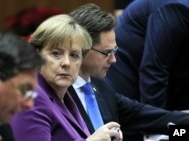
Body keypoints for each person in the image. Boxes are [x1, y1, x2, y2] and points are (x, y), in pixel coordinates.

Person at [69, 3, 189, 141]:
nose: (114, 60)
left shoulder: (102, 87)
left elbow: (149, 117)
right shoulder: (56, 93)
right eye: (107, 53)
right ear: (81, 48)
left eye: (114, 51)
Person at [10, 14, 123, 141]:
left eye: (74, 55)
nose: (66, 63)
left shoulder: (66, 97)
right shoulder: (32, 97)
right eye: (56, 54)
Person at [106, 0, 189, 111]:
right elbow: (154, 69)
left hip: (168, 68)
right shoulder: (177, 8)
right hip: (126, 65)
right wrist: (158, 122)